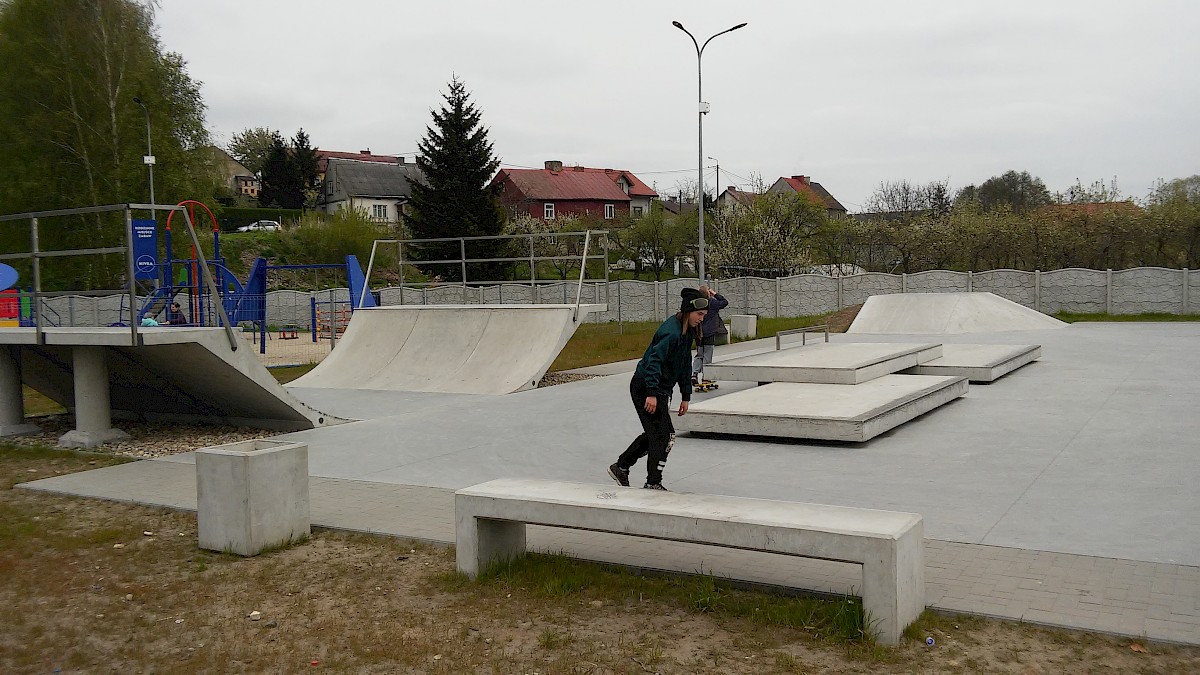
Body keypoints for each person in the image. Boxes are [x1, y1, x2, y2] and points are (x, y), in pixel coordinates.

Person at [608, 287, 708, 491]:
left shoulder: (687, 331)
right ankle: (653, 481)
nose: (701, 319)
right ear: (688, 311)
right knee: (665, 436)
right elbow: (654, 361)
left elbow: (684, 364)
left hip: (659, 389)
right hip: (646, 386)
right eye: (699, 314)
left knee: (655, 434)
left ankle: (622, 466)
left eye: (704, 315)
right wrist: (652, 394)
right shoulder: (671, 332)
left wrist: (686, 395)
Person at [691, 285, 729, 386]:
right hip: (709, 332)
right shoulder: (712, 303)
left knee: (699, 354)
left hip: (698, 332)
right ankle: (706, 377)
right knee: (707, 354)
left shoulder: (697, 303)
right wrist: (715, 294)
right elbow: (725, 302)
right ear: (708, 294)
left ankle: (694, 374)